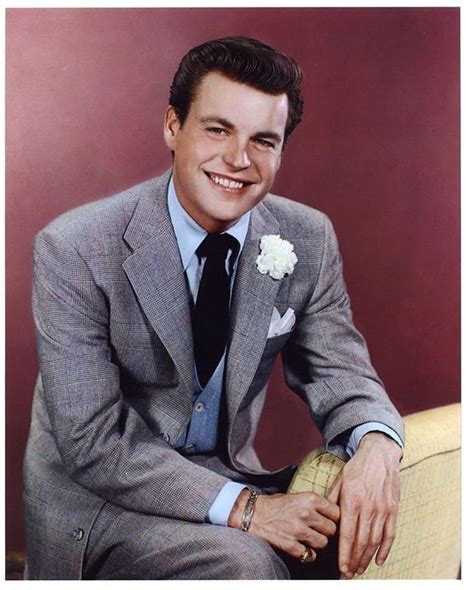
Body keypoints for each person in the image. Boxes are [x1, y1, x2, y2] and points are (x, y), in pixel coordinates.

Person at [23, 36, 404, 580]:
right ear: (173, 127)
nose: (238, 160)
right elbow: (92, 443)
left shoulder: (307, 237)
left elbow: (341, 371)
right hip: (102, 501)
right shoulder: (75, 247)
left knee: (350, 535)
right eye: (218, 129)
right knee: (243, 562)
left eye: (263, 141)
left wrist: (376, 449)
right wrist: (251, 511)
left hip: (227, 475)